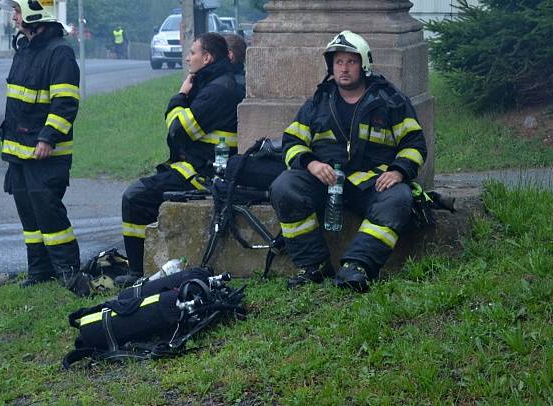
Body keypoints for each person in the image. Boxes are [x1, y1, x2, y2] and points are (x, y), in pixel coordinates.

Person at [270, 30, 427, 292]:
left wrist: (399, 172)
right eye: (338, 62)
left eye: (351, 62)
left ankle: (357, 267)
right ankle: (313, 266)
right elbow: (292, 141)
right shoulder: (318, 103)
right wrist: (312, 164)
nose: (344, 68)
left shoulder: (390, 101)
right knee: (284, 187)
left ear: (364, 64)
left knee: (399, 198)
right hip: (326, 182)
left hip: (372, 183)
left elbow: (415, 144)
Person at [117, 32, 242, 285]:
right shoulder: (213, 82)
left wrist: (180, 96)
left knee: (135, 197)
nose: (187, 58)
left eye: (192, 53)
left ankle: (137, 273)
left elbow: (177, 128)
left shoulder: (218, 89)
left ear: (206, 58)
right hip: (197, 165)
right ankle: (147, 265)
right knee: (143, 194)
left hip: (204, 174)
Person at [0, 0, 81, 288]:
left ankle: (69, 273)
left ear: (33, 12)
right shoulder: (25, 48)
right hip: (20, 152)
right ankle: (40, 273)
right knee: (29, 215)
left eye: (17, 10)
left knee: (48, 213)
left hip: (46, 153)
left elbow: (66, 102)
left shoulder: (59, 53)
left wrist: (47, 138)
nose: (14, 17)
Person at [224, 33, 247, 101]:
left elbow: (194, 111)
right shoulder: (247, 80)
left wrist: (189, 97)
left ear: (230, 55)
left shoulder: (224, 85)